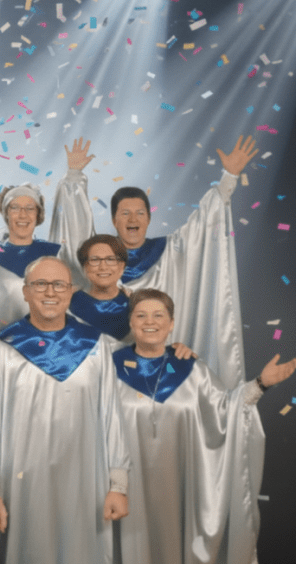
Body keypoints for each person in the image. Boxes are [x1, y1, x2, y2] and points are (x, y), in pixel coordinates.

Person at [106, 289, 296, 564]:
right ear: (131, 322)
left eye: (158, 316)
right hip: (124, 491)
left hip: (179, 490)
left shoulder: (191, 369)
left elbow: (225, 411)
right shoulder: (108, 370)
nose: (150, 322)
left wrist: (260, 384)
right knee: (126, 563)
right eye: (141, 316)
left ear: (172, 324)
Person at [0, 256, 129, 564]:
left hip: (85, 484)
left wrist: (118, 483)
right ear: (26, 293)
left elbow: (111, 415)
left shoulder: (94, 346)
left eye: (59, 284)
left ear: (72, 292)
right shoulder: (4, 348)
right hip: (20, 487)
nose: (50, 292)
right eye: (40, 285)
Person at [107, 135, 259, 388]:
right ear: (114, 220)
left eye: (140, 213)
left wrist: (229, 177)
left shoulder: (171, 250)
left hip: (165, 365)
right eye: (125, 213)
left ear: (148, 219)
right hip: (113, 367)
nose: (133, 218)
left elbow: (204, 223)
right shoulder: (99, 261)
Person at [0, 138, 95, 357]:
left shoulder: (56, 255)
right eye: (15, 208)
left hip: (48, 351)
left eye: (30, 208)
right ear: (5, 213)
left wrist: (73, 176)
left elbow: (81, 271)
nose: (22, 215)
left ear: (39, 215)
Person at [69, 234, 131, 340]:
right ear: (84, 267)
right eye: (95, 260)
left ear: (121, 266)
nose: (103, 267)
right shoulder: (69, 302)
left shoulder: (135, 304)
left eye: (110, 259)